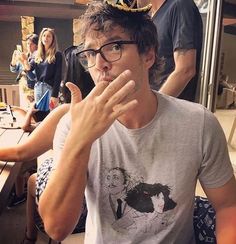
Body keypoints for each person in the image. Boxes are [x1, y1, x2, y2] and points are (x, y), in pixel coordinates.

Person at [39, 1, 236, 244]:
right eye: (90, 53)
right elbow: (56, 228)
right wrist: (80, 139)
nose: (99, 63)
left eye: (115, 46)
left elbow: (228, 206)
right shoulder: (72, 126)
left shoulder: (200, 124)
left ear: (149, 55)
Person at [138, 0, 203, 102]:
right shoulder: (151, 17)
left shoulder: (180, 5)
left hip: (172, 111)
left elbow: (185, 70)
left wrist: (154, 106)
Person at [21, 28, 63, 109]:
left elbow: (58, 76)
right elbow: (30, 70)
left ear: (53, 39)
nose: (45, 38)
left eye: (48, 36)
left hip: (49, 89)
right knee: (39, 115)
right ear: (41, 38)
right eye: (44, 36)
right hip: (38, 88)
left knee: (50, 115)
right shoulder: (36, 54)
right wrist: (25, 61)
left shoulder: (57, 55)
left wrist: (54, 95)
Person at [10, 34, 38, 108]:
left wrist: (24, 61)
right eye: (28, 43)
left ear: (37, 45)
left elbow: (33, 77)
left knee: (31, 111)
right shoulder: (25, 55)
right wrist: (14, 59)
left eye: (32, 44)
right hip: (22, 87)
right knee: (23, 109)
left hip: (32, 90)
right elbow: (13, 69)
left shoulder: (38, 58)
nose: (29, 46)